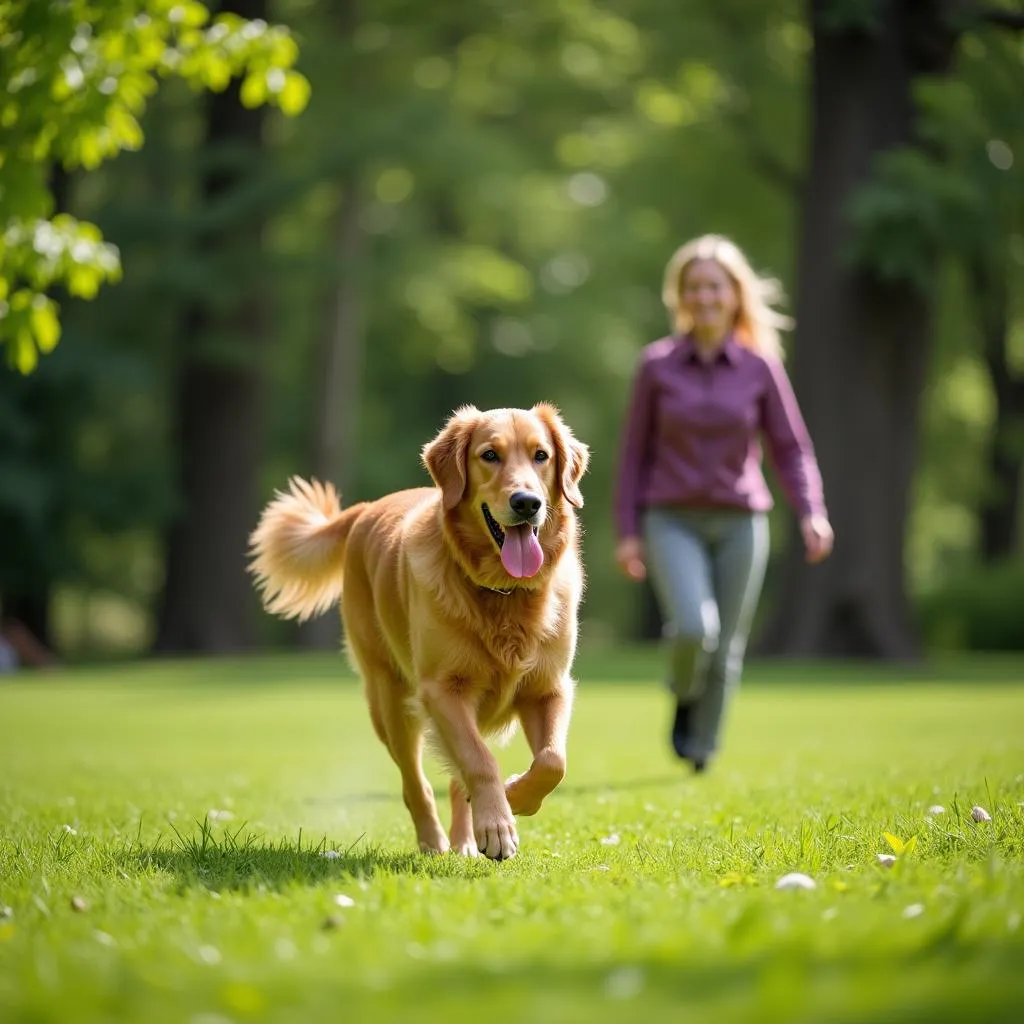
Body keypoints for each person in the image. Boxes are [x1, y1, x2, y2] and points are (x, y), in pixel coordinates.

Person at [613, 234, 833, 773]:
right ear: (680, 297)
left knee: (728, 648)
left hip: (741, 520)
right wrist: (627, 530)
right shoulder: (657, 366)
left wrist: (811, 510)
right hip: (671, 519)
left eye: (715, 286)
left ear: (734, 294)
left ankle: (701, 748)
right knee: (694, 630)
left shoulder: (759, 368)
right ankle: (682, 688)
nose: (705, 296)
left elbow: (790, 447)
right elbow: (633, 454)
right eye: (694, 287)